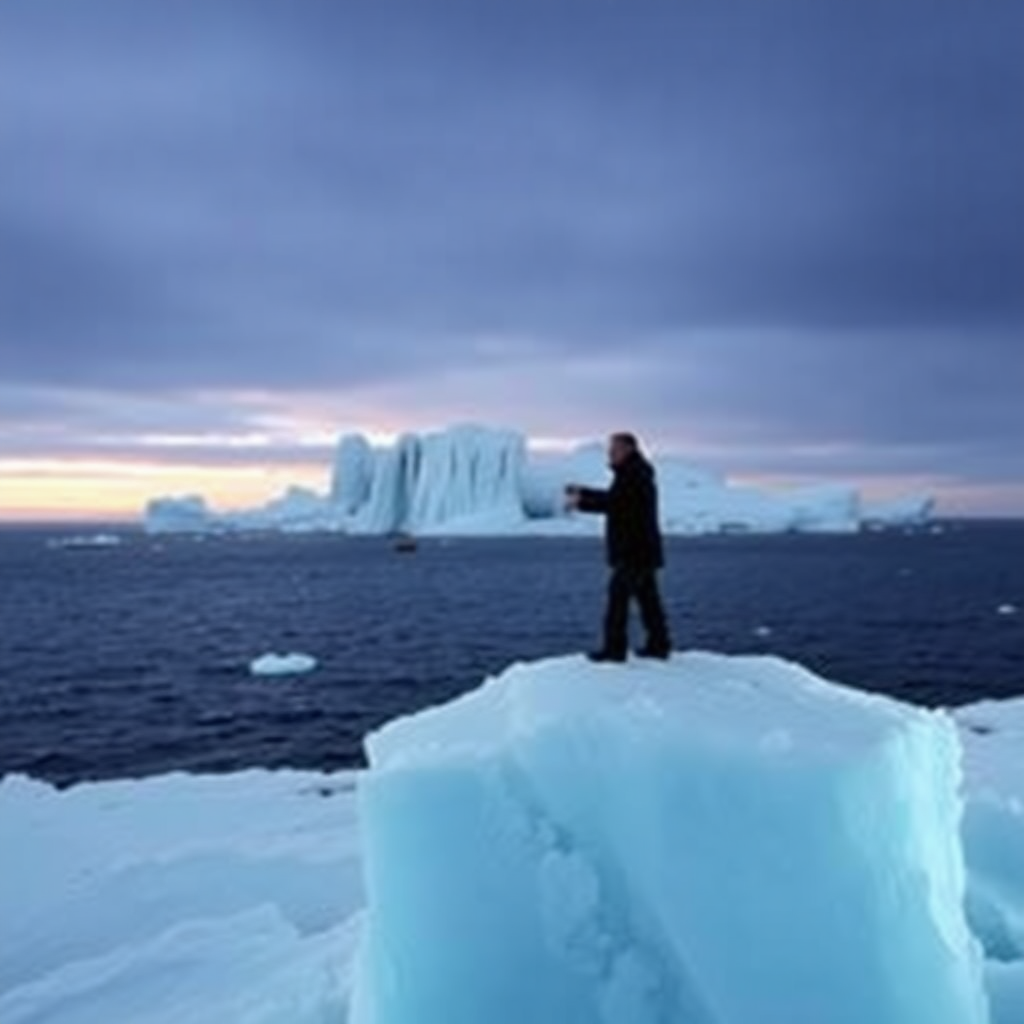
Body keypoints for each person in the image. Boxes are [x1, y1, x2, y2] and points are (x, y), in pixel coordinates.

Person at [566, 432, 672, 662]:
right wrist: (583, 492)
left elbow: (617, 504)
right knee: (648, 601)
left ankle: (614, 651)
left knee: (618, 602)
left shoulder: (633, 475)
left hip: (633, 552)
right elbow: (617, 498)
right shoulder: (634, 473)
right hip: (642, 551)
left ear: (628, 449)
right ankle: (659, 645)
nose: (610, 454)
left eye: (614, 450)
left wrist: (581, 503)